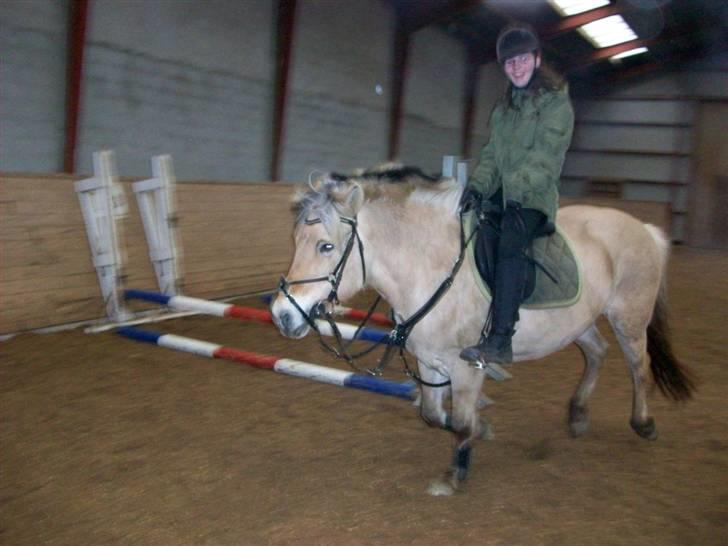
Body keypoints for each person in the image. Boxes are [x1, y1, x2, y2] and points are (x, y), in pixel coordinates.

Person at [459, 23, 575, 365]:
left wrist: (515, 192)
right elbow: (492, 154)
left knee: (510, 244)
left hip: (533, 198)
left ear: (537, 60)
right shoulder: (503, 108)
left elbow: (546, 158)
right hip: (501, 195)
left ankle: (500, 339)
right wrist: (477, 188)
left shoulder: (556, 105)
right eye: (509, 63)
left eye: (522, 59)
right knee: (466, 233)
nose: (516, 67)